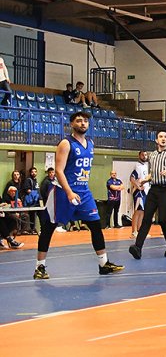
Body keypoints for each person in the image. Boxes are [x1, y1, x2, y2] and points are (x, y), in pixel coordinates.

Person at [33, 111, 123, 279]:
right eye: (79, 121)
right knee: (48, 227)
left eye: (85, 121)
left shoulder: (90, 143)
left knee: (96, 225)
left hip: (84, 192)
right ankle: (40, 267)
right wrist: (69, 192)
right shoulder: (66, 143)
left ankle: (103, 264)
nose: (83, 123)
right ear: (72, 124)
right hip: (62, 191)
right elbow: (59, 170)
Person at [129, 131, 166, 260]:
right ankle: (137, 247)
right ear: (156, 140)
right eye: (161, 137)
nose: (163, 139)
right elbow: (153, 173)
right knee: (147, 218)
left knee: (162, 219)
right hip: (154, 189)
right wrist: (144, 180)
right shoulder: (153, 155)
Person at [129, 151, 150, 238]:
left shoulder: (146, 165)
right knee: (137, 211)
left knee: (142, 212)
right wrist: (138, 186)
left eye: (145, 155)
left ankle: (139, 231)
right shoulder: (137, 166)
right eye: (143, 155)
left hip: (145, 191)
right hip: (139, 192)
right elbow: (132, 178)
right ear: (139, 155)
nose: (144, 156)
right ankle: (134, 232)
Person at [39, 168, 65, 233]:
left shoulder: (56, 181)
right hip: (48, 201)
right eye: (50, 173)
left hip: (56, 200)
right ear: (48, 173)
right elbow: (43, 192)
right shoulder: (45, 182)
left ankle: (59, 226)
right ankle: (45, 228)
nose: (51, 174)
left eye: (52, 172)